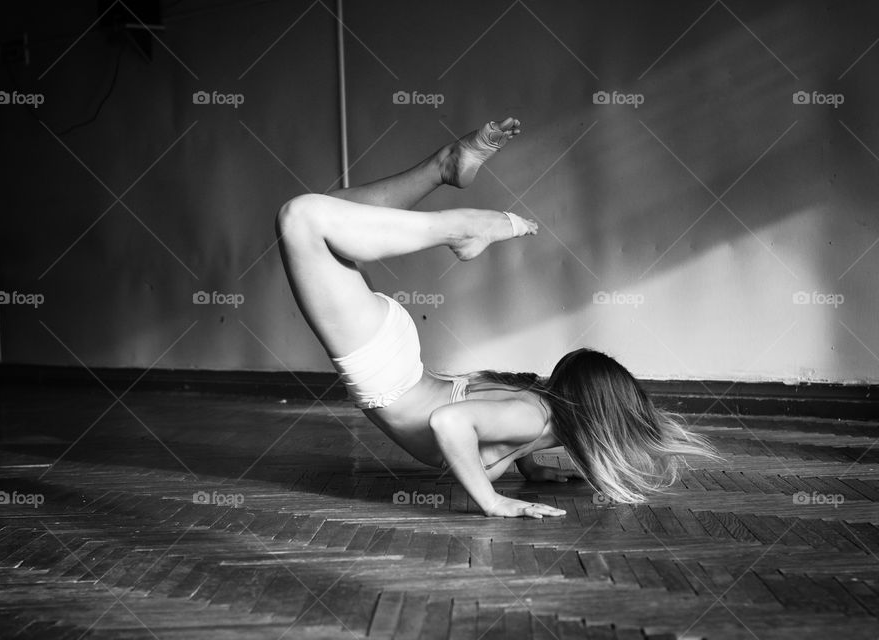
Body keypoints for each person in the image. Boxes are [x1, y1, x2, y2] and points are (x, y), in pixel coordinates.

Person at [276, 118, 717, 518]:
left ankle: (443, 166)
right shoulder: (534, 419)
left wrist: (532, 468)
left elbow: (484, 425)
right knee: (303, 217)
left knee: (329, 213)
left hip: (398, 364)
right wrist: (492, 501)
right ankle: (456, 228)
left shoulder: (538, 409)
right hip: (388, 374)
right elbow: (447, 422)